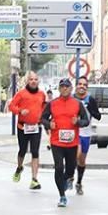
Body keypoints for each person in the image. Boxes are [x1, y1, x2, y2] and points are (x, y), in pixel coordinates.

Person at [40, 78, 90, 207]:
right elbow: (42, 118)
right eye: (62, 86)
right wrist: (49, 124)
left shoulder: (77, 104)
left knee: (70, 169)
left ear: (71, 88)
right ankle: (62, 196)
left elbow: (86, 120)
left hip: (72, 143)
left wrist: (78, 122)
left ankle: (68, 178)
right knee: (58, 167)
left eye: (67, 86)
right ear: (59, 89)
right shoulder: (52, 104)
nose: (65, 89)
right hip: (57, 142)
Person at [8, 71, 47, 190]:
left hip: (36, 127)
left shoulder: (41, 94)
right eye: (31, 79)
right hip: (23, 127)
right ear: (27, 81)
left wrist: (44, 118)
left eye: (35, 79)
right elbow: (11, 106)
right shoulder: (21, 94)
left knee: (35, 152)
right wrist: (20, 111)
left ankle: (34, 179)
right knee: (22, 151)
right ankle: (20, 167)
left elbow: (44, 107)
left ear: (38, 81)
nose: (33, 81)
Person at [74, 76, 102, 195]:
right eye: (80, 84)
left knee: (81, 161)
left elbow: (98, 116)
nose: (82, 86)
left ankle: (79, 182)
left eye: (84, 85)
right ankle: (69, 175)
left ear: (87, 87)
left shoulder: (90, 99)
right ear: (76, 86)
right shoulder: (71, 98)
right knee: (77, 153)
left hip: (86, 132)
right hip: (74, 132)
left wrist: (90, 109)